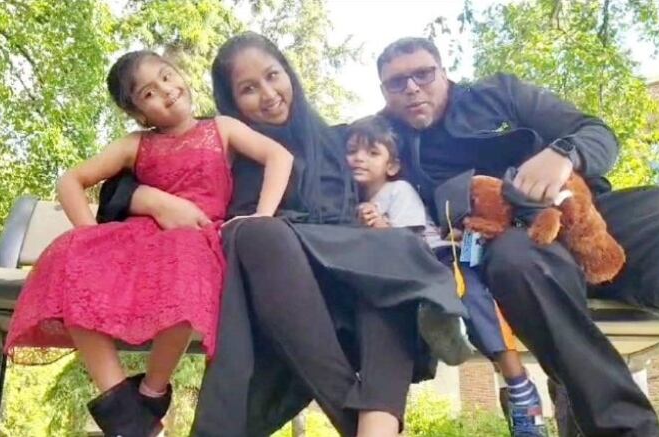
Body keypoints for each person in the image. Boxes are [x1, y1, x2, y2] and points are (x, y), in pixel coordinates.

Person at [99, 32, 468, 437]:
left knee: (392, 260)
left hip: (347, 280)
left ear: (288, 72)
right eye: (248, 89)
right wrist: (152, 199)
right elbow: (116, 186)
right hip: (272, 293)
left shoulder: (342, 141)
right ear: (231, 100)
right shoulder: (220, 144)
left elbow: (412, 147)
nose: (269, 94)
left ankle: (376, 426)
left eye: (274, 76)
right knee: (258, 235)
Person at [376, 36, 659, 436]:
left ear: (444, 73)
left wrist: (564, 154)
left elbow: (597, 134)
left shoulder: (499, 94)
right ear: (385, 93)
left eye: (423, 74)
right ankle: (624, 428)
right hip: (506, 242)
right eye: (396, 82)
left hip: (585, 211)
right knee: (518, 261)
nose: (412, 88)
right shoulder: (380, 138)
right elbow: (317, 153)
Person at [4, 50, 294, 437]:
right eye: (148, 93)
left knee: (185, 272)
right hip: (137, 244)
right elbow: (70, 181)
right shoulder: (135, 144)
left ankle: (152, 390)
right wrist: (89, 235)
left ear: (181, 76)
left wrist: (262, 216)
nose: (166, 91)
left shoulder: (221, 129)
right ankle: (124, 410)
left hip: (193, 241)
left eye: (167, 76)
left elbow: (278, 155)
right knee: (71, 262)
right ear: (139, 114)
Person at [346, 115, 547, 436]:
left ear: (393, 165)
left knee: (474, 298)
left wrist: (379, 224)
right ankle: (439, 314)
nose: (358, 158)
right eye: (352, 151)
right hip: (405, 280)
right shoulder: (351, 204)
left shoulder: (398, 190)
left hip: (438, 259)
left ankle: (519, 387)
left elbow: (410, 241)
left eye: (371, 152)